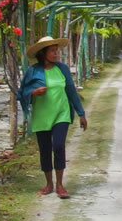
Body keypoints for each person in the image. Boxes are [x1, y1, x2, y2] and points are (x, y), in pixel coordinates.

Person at [20, 35, 87, 198]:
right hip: (42, 115)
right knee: (45, 149)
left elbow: (71, 91)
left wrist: (81, 113)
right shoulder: (33, 71)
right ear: (43, 53)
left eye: (57, 50)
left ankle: (60, 185)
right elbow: (22, 93)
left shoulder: (62, 69)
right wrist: (33, 93)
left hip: (61, 113)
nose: (56, 54)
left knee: (58, 146)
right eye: (52, 51)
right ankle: (49, 184)